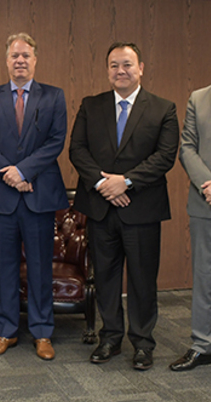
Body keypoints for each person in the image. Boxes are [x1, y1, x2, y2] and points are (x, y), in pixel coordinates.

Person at [69, 42, 179, 370]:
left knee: (143, 279)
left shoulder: (163, 108)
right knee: (105, 276)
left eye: (128, 64)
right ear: (107, 70)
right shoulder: (91, 105)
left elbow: (164, 156)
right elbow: (78, 150)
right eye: (114, 65)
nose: (121, 71)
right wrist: (104, 184)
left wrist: (125, 181)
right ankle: (111, 338)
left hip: (142, 208)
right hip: (102, 208)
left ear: (141, 67)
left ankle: (143, 343)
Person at [0, 33, 68, 361]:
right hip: (4, 197)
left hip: (39, 196)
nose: (20, 61)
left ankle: (43, 332)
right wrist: (11, 174)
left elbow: (55, 142)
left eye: (26, 56)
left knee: (41, 265)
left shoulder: (54, 96)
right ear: (6, 60)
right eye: (14, 56)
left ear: (35, 60)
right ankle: (6, 331)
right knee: (6, 266)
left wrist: (24, 172)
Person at [170, 85, 211, 372]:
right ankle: (203, 345)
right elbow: (186, 148)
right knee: (204, 275)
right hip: (204, 202)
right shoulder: (199, 98)